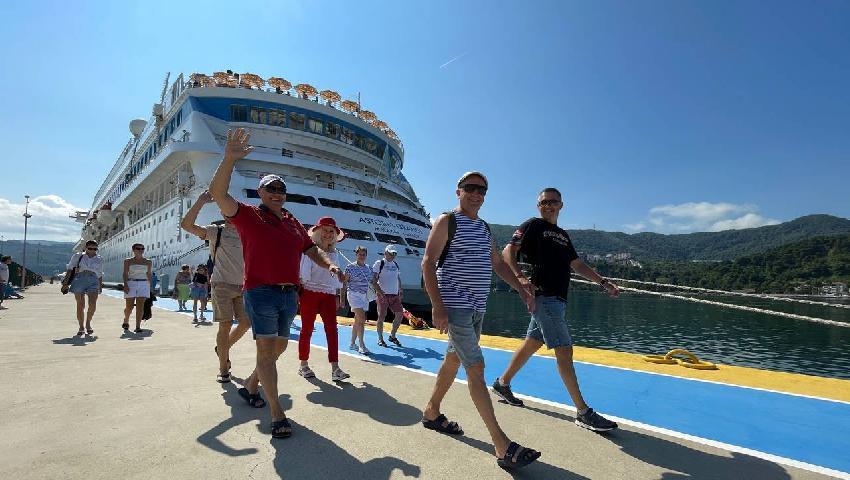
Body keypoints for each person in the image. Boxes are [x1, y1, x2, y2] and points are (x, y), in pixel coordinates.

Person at [209, 128, 343, 439]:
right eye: (271, 189)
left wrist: (331, 265)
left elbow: (311, 250)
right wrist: (229, 159)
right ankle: (276, 414)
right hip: (261, 293)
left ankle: (251, 385)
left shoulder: (292, 222)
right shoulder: (247, 216)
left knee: (279, 348)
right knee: (267, 351)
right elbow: (218, 194)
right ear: (260, 192)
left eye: (281, 189)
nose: (277, 193)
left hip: (288, 295)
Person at [420, 171, 541, 470]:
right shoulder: (447, 221)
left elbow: (497, 263)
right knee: (476, 368)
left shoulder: (484, 228)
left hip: (477, 308)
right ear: (458, 191)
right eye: (470, 188)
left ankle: (432, 412)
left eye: (482, 190)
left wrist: (520, 288)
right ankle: (502, 445)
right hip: (456, 306)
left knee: (453, 360)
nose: (476, 194)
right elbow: (428, 262)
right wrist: (437, 306)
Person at [492, 187, 621, 432]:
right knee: (564, 350)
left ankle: (502, 383)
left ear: (561, 205)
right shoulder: (533, 225)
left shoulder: (563, 235)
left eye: (553, 202)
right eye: (544, 202)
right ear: (538, 206)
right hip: (545, 297)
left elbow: (577, 264)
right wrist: (519, 277)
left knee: (532, 343)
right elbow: (508, 250)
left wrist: (603, 282)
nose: (548, 205)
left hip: (559, 300)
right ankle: (583, 412)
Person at [180, 191, 252, 384]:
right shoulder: (215, 231)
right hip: (221, 285)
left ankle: (222, 348)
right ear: (223, 213)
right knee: (225, 325)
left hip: (242, 286)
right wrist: (200, 201)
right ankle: (223, 368)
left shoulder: (247, 233)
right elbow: (186, 225)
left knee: (246, 323)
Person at [297, 216, 350, 381]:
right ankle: (303, 365)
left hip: (328, 295)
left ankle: (335, 368)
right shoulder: (310, 250)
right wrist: (300, 294)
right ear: (318, 232)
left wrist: (338, 293)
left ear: (335, 235)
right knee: (307, 329)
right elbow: (303, 275)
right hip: (309, 292)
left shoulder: (335, 254)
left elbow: (336, 277)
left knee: (332, 331)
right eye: (325, 230)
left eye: (331, 231)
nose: (328, 234)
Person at [64, 241, 104, 335]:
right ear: (85, 248)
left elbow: (100, 273)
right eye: (90, 248)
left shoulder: (100, 259)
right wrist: (65, 284)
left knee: (92, 304)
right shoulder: (77, 256)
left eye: (95, 249)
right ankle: (81, 327)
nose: (92, 251)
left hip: (93, 280)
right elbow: (70, 269)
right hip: (79, 279)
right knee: (80, 305)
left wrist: (100, 286)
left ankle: (88, 323)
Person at [372, 245, 404, 347]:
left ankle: (392, 335)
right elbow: (374, 279)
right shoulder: (379, 263)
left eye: (395, 254)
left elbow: (397, 278)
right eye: (391, 253)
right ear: (385, 253)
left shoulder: (395, 264)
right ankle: (380, 338)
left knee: (399, 314)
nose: (393, 255)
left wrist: (400, 289)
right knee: (381, 316)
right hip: (383, 295)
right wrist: (379, 291)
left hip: (394, 295)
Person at [342, 246, 372, 355]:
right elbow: (344, 283)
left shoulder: (369, 268)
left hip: (365, 296)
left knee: (357, 320)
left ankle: (352, 343)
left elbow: (372, 282)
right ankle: (361, 345)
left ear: (366, 256)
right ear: (356, 255)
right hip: (353, 295)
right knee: (362, 319)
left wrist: (380, 293)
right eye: (360, 254)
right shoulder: (350, 267)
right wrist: (342, 299)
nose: (361, 256)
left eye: (363, 255)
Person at [123, 243, 152, 333]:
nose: (140, 250)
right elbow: (125, 273)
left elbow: (149, 274)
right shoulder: (128, 261)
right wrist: (125, 285)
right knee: (129, 307)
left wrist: (150, 286)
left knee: (140, 306)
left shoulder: (148, 262)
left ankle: (138, 326)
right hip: (131, 283)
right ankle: (126, 319)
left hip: (144, 284)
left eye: (142, 248)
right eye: (138, 248)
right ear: (133, 250)